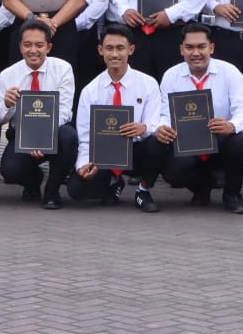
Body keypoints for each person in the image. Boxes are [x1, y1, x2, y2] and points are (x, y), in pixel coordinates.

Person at [155, 22, 243, 213]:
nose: (196, 53)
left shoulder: (229, 72)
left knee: (239, 142)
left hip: (220, 140)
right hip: (187, 141)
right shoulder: (171, 75)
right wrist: (163, 127)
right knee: (173, 173)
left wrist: (231, 125)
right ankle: (202, 187)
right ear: (181, 50)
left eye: (201, 47)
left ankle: (232, 194)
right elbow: (165, 112)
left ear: (211, 47)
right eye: (189, 47)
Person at [69, 23, 168, 212]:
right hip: (104, 154)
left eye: (120, 48)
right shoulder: (90, 90)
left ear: (131, 49)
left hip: (137, 150)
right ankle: (114, 182)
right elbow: (85, 136)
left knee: (157, 142)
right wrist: (84, 164)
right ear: (100, 50)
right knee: (77, 190)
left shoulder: (148, 84)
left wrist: (144, 128)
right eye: (109, 48)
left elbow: (155, 122)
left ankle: (143, 190)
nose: (114, 54)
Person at [0, 18, 78, 209]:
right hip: (21, 135)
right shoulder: (7, 75)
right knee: (10, 170)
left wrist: (41, 137)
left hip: (55, 132)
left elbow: (65, 112)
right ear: (20, 47)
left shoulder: (63, 69)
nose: (33, 50)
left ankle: (52, 191)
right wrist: (7, 104)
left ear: (49, 47)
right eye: (27, 45)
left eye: (39, 45)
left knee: (69, 137)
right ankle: (33, 182)